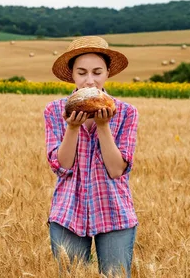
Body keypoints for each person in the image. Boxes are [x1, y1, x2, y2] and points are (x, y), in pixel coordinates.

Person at [43, 36, 139, 277]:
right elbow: (62, 167)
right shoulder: (55, 110)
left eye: (97, 72)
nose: (89, 80)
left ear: (107, 73)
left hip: (114, 210)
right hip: (68, 212)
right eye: (82, 72)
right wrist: (72, 129)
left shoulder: (126, 112)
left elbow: (117, 170)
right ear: (72, 75)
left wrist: (103, 126)